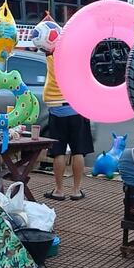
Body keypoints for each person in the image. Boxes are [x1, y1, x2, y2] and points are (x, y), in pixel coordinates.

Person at [42, 50, 94, 201]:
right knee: (78, 151)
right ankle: (76, 190)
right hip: (77, 108)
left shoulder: (52, 57)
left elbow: (47, 48)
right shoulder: (80, 60)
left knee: (58, 151)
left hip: (57, 108)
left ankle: (58, 190)